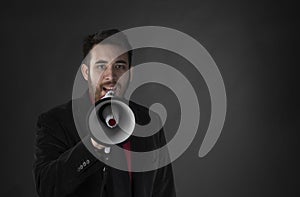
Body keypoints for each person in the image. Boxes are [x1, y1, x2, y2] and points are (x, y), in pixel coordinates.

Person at [33, 29, 176, 197]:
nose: (111, 76)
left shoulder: (149, 121)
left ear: (130, 73)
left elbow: (164, 191)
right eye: (101, 66)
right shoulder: (56, 121)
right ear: (86, 73)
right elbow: (47, 188)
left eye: (119, 66)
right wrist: (93, 145)